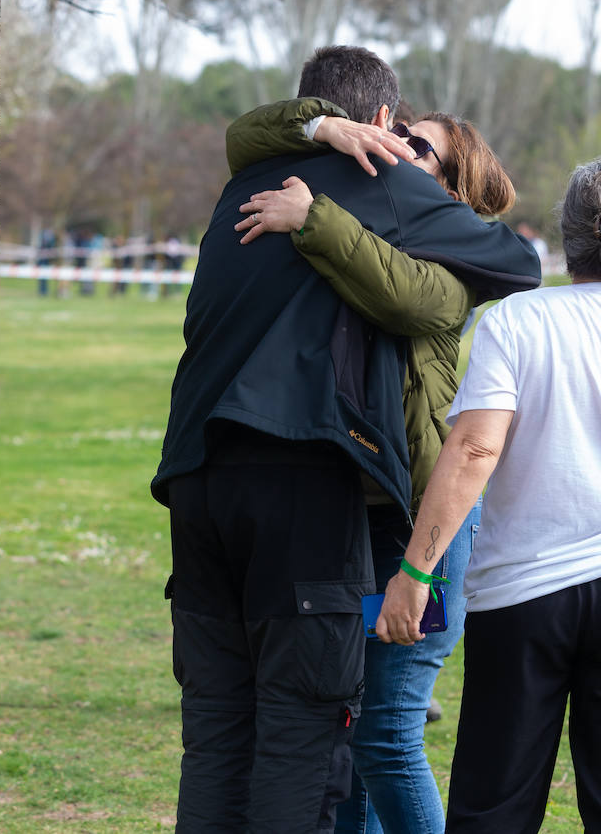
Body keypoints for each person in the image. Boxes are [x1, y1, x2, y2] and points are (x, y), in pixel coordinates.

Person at [151, 45, 541, 833]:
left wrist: (317, 217)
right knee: (324, 728)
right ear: (381, 123)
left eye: (421, 151)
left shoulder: (276, 191)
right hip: (327, 497)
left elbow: (439, 290)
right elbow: (516, 260)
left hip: (366, 512)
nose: (403, 154)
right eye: (404, 139)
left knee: (327, 730)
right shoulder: (368, 182)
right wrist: (328, 134)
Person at [376, 158, 601, 833]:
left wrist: (417, 570)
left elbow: (474, 450)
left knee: (493, 810)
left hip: (523, 597)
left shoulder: (516, 324)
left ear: (565, 242)